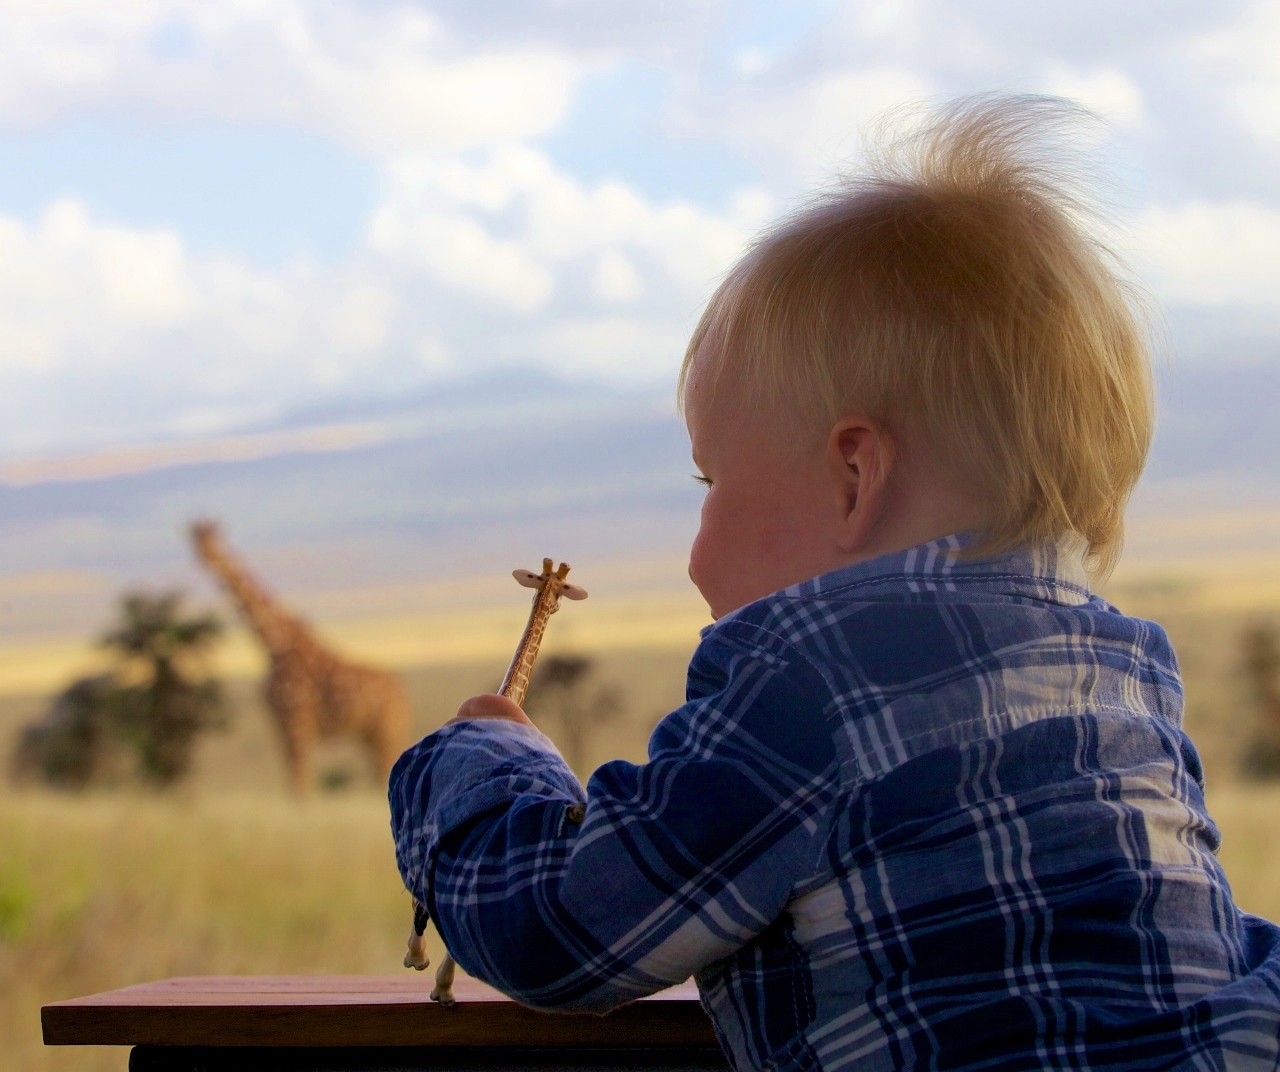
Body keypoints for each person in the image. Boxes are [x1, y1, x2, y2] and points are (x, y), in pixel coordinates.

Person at [389, 96, 1280, 1070]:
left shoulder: (820, 684)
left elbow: (558, 930)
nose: (693, 554)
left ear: (855, 478)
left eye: (713, 483)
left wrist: (483, 764)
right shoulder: (1126, 671)